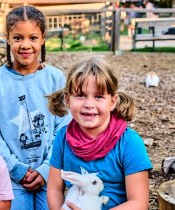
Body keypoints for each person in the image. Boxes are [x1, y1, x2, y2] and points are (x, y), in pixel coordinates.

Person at [0, 5, 71, 210]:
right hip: (9, 174)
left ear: (43, 38)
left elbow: (65, 126)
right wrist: (16, 169)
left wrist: (47, 169)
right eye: (18, 38)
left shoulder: (55, 78)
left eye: (33, 37)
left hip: (51, 172)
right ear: (7, 38)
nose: (25, 45)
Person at [47, 56, 153, 210]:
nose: (89, 104)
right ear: (68, 100)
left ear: (112, 101)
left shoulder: (130, 143)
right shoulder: (63, 138)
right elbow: (54, 189)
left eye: (98, 96)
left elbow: (138, 203)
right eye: (81, 95)